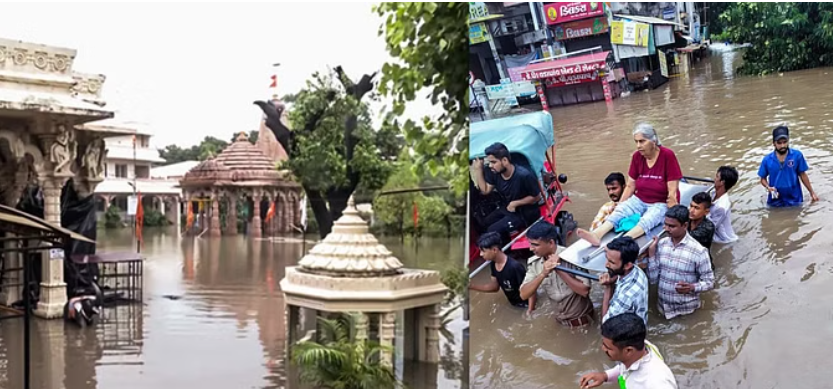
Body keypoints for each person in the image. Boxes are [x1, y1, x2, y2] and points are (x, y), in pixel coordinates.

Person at [578, 123, 683, 247]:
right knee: (620, 211)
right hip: (640, 199)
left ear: (653, 140)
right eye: (636, 142)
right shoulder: (637, 157)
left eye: (642, 141)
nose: (638, 146)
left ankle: (624, 240)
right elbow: (630, 186)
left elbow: (672, 190)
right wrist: (618, 204)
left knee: (649, 219)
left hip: (660, 202)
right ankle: (596, 235)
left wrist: (673, 210)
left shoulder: (667, 155)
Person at [645, 205, 715, 320]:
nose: (666, 229)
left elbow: (710, 282)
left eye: (672, 226)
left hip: (686, 312)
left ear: (685, 226)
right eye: (665, 224)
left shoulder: (698, 251)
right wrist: (651, 254)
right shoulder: (661, 244)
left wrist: (692, 287)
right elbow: (653, 279)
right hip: (662, 309)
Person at [519, 221, 594, 327]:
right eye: (530, 244)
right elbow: (523, 294)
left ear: (551, 243)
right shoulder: (535, 263)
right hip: (560, 322)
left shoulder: (572, 257)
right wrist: (543, 273)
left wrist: (558, 269)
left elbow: (584, 291)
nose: (531, 248)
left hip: (582, 322)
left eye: (535, 245)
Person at [579, 313, 678, 389]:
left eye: (608, 348)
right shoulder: (642, 348)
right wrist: (605, 376)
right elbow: (625, 369)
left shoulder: (656, 383)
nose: (603, 349)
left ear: (628, 351)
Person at [471, 142, 542, 243]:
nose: (490, 166)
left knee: (492, 230)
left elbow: (537, 197)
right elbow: (486, 190)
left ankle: (506, 252)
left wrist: (516, 203)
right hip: (508, 208)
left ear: (505, 160)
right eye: (489, 162)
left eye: (493, 162)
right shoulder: (495, 173)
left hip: (524, 213)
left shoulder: (524, 175)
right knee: (484, 223)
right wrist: (478, 169)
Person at [758, 125, 819, 207]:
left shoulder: (797, 156)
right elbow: (762, 179)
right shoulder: (767, 160)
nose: (782, 145)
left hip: (795, 199)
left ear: (788, 141)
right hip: (775, 201)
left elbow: (803, 175)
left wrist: (812, 192)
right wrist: (768, 187)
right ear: (774, 143)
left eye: (784, 142)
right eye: (779, 143)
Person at [468, 232, 528, 308]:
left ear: (494, 250)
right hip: (514, 304)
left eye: (483, 251)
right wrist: (471, 286)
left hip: (525, 304)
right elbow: (494, 287)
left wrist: (530, 310)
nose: (481, 254)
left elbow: (529, 290)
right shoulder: (493, 264)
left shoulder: (514, 267)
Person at [599, 237, 649, 326]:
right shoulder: (636, 270)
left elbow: (606, 324)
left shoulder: (626, 296)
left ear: (627, 265)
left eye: (611, 262)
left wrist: (608, 287)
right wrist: (613, 278)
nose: (606, 264)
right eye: (607, 259)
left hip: (625, 336)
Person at [709, 165, 739, 243]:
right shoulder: (713, 193)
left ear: (722, 182)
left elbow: (710, 227)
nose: (714, 179)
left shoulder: (721, 207)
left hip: (723, 240)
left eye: (717, 176)